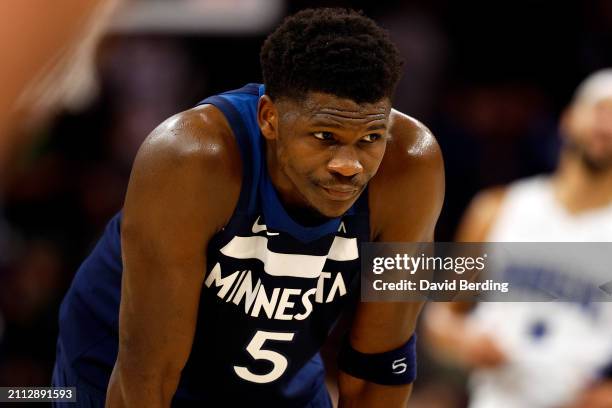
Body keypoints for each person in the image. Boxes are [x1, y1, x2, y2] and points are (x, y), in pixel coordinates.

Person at [52, 8, 444, 407]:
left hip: (272, 372)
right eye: (325, 136)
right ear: (269, 118)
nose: (348, 165)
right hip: (121, 367)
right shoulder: (190, 159)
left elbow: (379, 367)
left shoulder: (411, 166)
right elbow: (149, 374)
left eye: (370, 138)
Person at [424, 69, 612, 408]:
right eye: (601, 109)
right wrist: (466, 343)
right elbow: (441, 318)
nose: (607, 124)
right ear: (567, 119)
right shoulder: (496, 208)